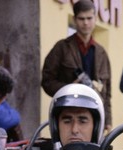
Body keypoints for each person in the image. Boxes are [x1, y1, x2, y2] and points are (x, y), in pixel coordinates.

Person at [41, 0, 112, 132]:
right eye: (81, 18)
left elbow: (107, 92)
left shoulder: (102, 52)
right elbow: (46, 81)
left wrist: (107, 120)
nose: (85, 23)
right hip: (68, 113)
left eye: (89, 18)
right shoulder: (61, 47)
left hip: (95, 115)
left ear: (95, 18)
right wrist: (69, 89)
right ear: (74, 19)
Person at [21, 84, 104, 150]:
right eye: (67, 121)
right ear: (56, 127)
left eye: (82, 121)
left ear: (96, 127)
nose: (74, 129)